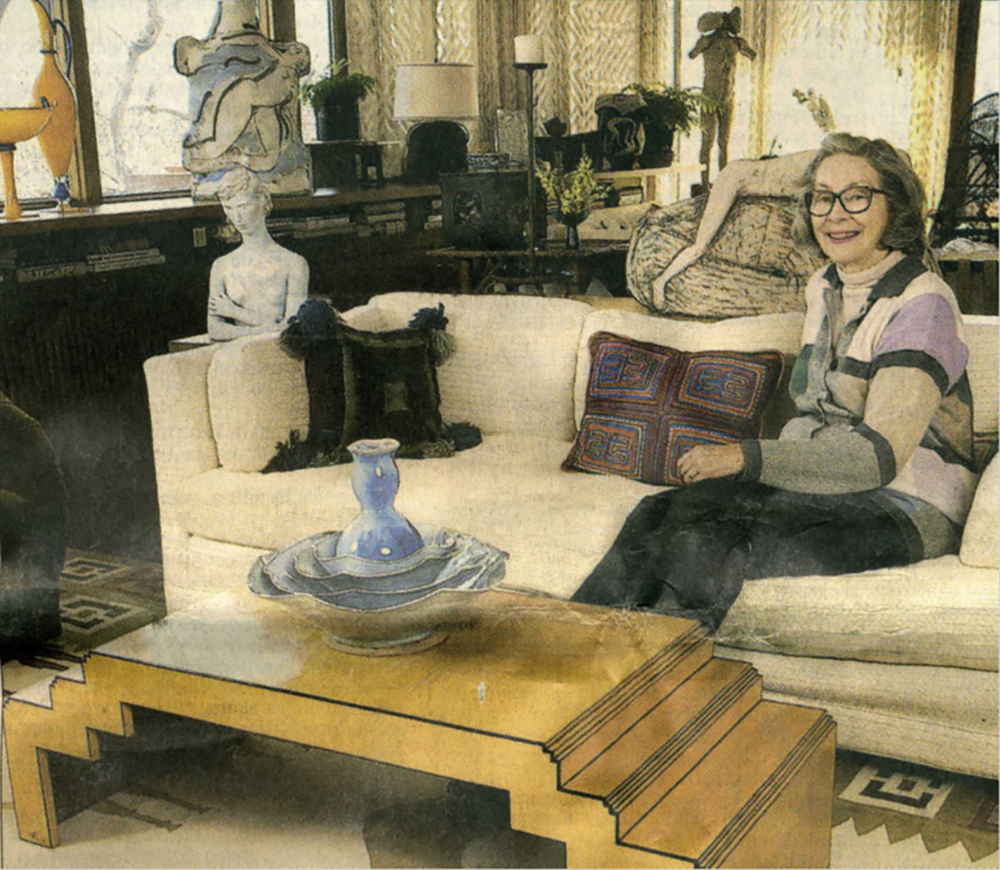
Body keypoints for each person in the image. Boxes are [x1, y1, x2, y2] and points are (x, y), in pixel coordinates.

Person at [572, 132, 977, 630]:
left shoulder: (923, 304)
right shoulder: (824, 285)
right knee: (655, 514)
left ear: (894, 209)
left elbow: (878, 457)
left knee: (713, 543)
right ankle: (571, 648)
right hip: (825, 489)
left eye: (856, 197)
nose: (834, 214)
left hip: (906, 506)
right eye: (822, 198)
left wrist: (744, 458)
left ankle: (651, 674)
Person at [207, 167, 309, 340]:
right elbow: (215, 329)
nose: (237, 216)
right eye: (229, 208)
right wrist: (267, 327)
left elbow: (290, 329)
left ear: (263, 202)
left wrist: (235, 312)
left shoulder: (294, 263)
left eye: (243, 206)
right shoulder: (221, 266)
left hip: (279, 353)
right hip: (236, 351)